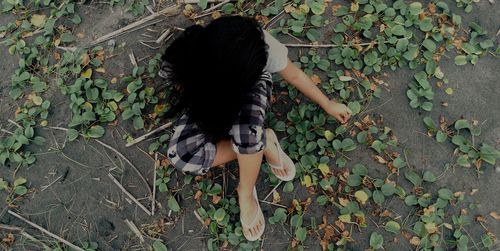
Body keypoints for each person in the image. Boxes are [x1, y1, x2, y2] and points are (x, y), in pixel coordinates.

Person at [159, 16, 352, 241]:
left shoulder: (261, 50)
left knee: (248, 137)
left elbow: (295, 74)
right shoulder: (189, 54)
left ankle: (246, 190)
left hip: (249, 83)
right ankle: (261, 143)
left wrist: (327, 103)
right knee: (181, 155)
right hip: (210, 90)